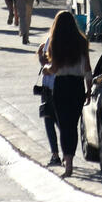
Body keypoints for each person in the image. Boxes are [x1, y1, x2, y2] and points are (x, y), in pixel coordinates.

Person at [43, 10, 92, 177]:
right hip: (77, 86)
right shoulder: (81, 42)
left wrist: (46, 69)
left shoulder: (56, 42)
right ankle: (70, 157)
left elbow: (54, 68)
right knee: (73, 124)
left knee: (64, 125)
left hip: (62, 86)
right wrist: (89, 90)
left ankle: (68, 162)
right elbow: (87, 69)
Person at [36, 37, 61, 167]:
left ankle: (55, 155)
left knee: (49, 121)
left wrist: (40, 55)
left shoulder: (51, 39)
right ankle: (68, 155)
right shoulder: (75, 40)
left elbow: (45, 63)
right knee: (62, 123)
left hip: (49, 87)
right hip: (65, 86)